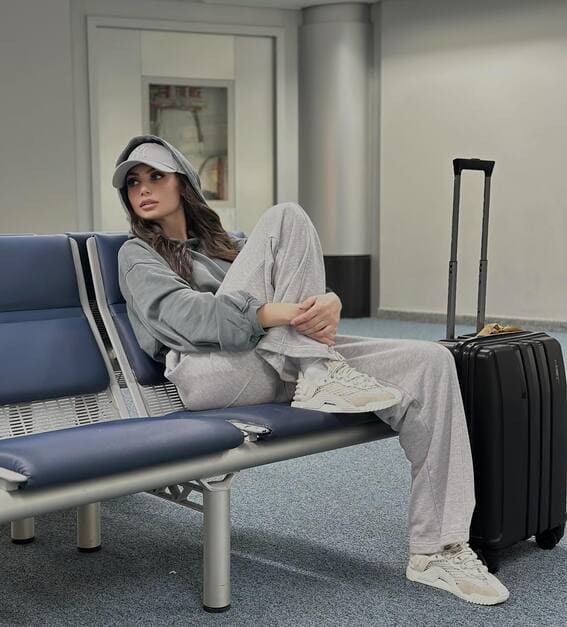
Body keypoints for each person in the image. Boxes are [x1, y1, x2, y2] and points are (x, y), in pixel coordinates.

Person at [113, 135, 509, 606]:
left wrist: (330, 301)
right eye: (134, 182)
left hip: (281, 359)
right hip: (212, 373)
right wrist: (279, 315)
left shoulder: (231, 246)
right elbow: (187, 319)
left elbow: (298, 299)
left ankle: (437, 549)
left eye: (156, 175)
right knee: (287, 216)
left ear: (184, 181)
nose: (144, 188)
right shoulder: (136, 254)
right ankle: (318, 371)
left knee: (432, 362)